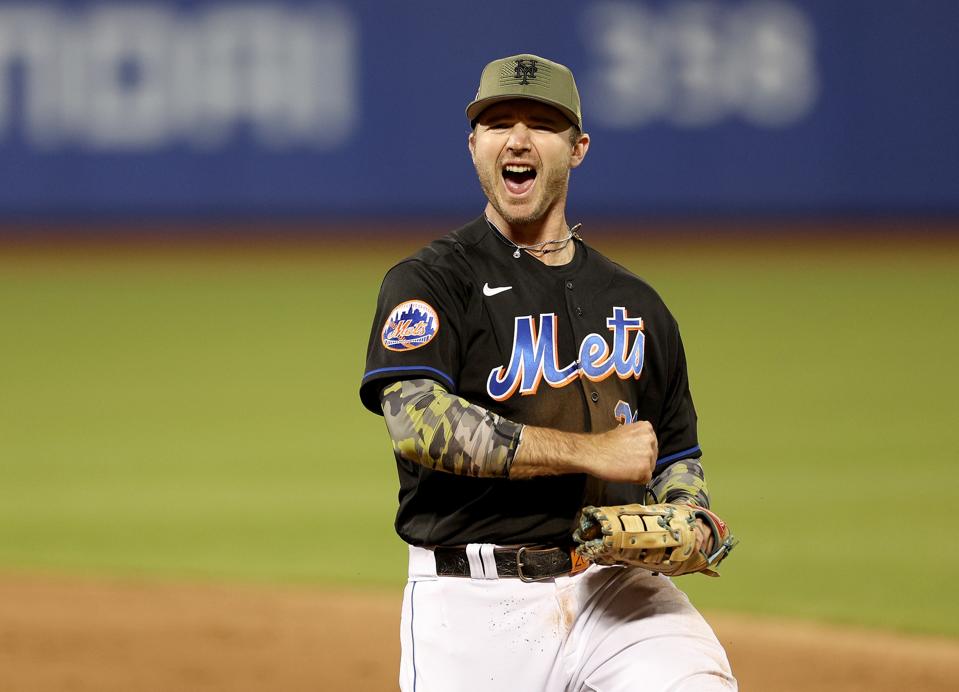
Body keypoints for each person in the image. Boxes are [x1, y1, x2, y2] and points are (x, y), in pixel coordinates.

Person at [359, 53, 737, 691]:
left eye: (540, 123)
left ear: (578, 148)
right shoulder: (432, 281)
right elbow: (417, 424)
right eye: (498, 123)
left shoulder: (636, 303)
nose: (518, 139)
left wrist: (690, 516)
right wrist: (590, 452)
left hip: (616, 590)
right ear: (474, 146)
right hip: (472, 604)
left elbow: (676, 455)